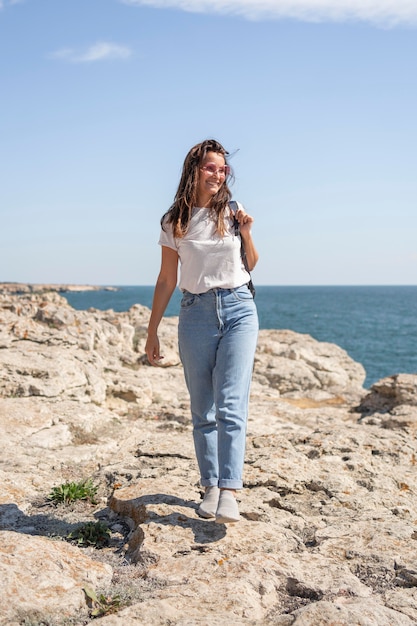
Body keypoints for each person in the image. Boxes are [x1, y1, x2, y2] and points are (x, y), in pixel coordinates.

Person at [145, 139, 259, 524]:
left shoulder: (232, 209)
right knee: (203, 408)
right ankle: (209, 485)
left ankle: (229, 490)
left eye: (222, 169)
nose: (218, 174)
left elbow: (252, 263)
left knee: (230, 403)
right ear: (194, 169)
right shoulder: (173, 220)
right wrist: (152, 330)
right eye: (211, 167)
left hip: (240, 307)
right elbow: (165, 279)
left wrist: (245, 232)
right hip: (195, 313)